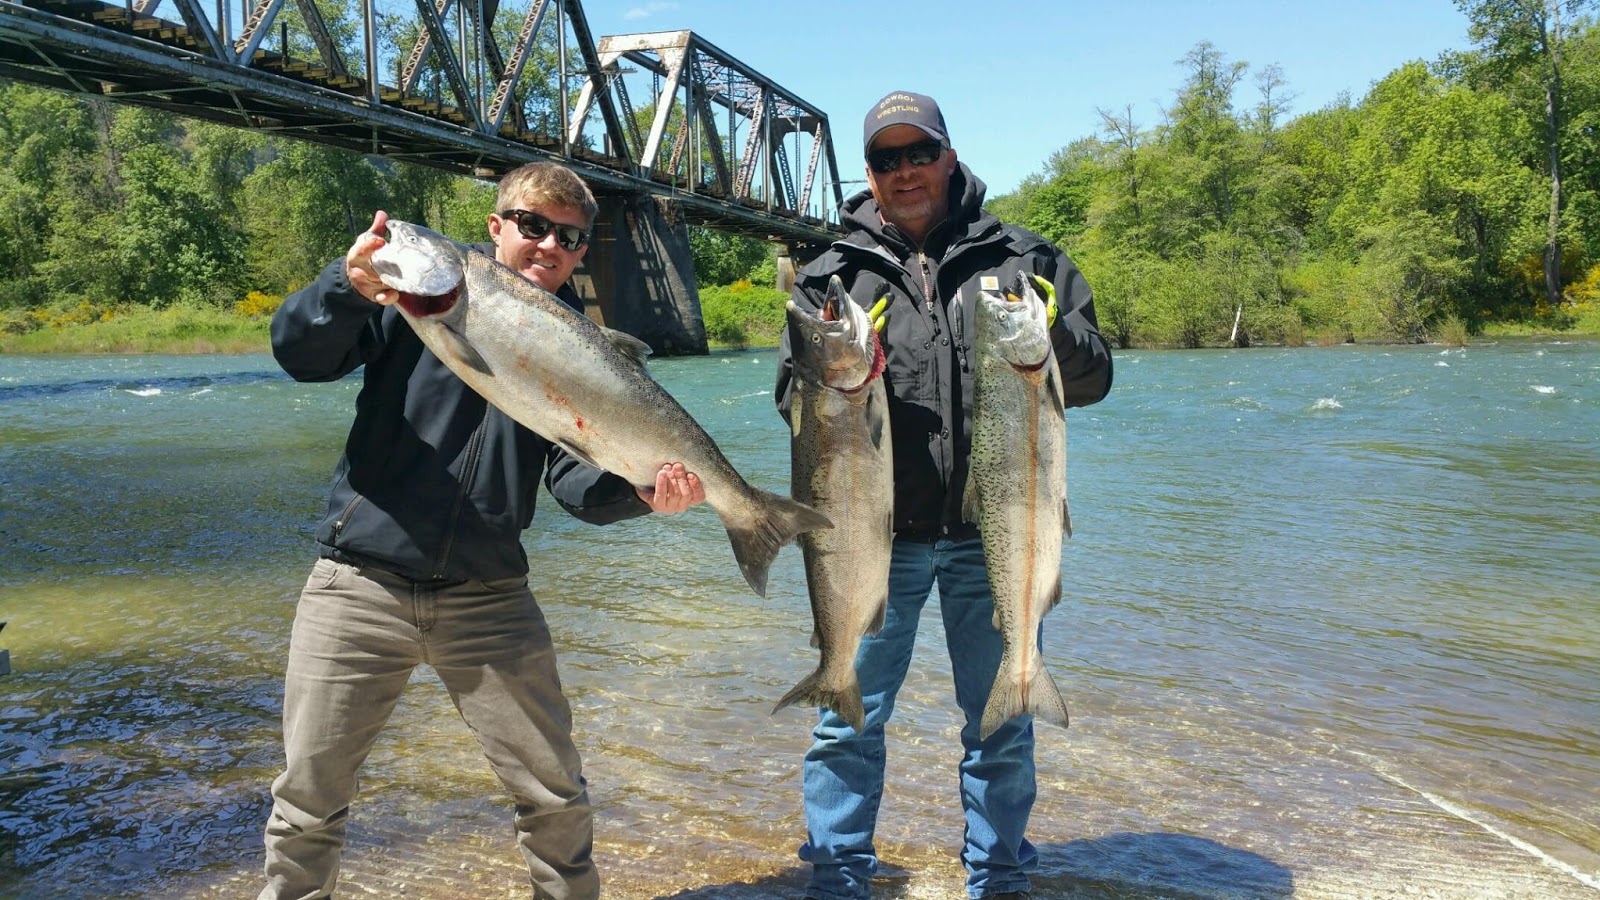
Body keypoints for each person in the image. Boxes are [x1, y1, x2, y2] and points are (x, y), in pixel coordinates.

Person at [260, 161, 706, 900]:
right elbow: (298, 354)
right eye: (533, 225)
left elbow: (577, 489)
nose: (548, 245)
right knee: (307, 802)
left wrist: (642, 491)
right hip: (358, 585)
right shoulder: (401, 301)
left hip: (491, 598)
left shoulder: (580, 350)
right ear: (496, 227)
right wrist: (345, 285)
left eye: (569, 236)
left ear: (580, 253)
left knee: (556, 798)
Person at [774, 92, 1114, 900]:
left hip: (990, 533)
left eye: (917, 153)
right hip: (871, 541)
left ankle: (998, 880)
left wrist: (1052, 333)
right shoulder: (831, 277)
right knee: (845, 723)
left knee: (1001, 724)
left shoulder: (1025, 260)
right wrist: (836, 372)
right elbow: (791, 402)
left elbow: (1096, 377)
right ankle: (838, 879)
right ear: (869, 174)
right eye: (886, 160)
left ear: (949, 156)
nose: (904, 172)